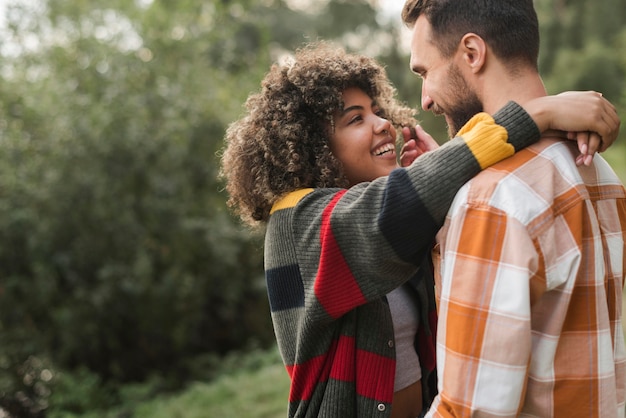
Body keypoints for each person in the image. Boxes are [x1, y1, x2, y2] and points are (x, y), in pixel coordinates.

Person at [219, 41, 619, 418]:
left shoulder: (378, 221)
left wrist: (447, 182)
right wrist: (538, 115)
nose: (383, 125)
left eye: (377, 110)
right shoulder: (296, 221)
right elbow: (388, 212)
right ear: (312, 146)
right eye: (355, 119)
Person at [401, 0, 625, 416]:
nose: (426, 100)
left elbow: (470, 408)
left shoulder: (492, 200)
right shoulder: (604, 176)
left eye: (424, 72)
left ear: (472, 53)